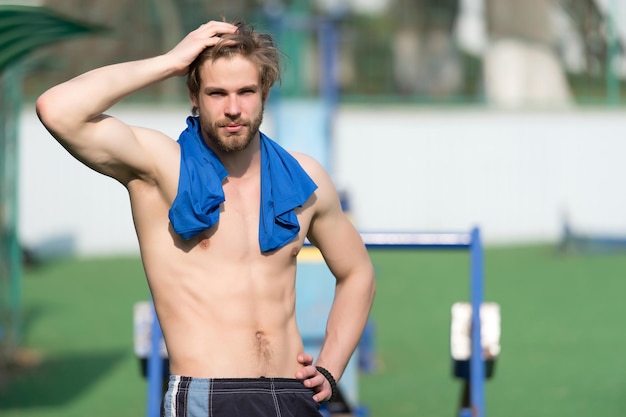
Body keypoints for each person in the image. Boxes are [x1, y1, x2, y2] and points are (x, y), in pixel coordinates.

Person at [36, 19, 376, 417]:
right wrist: (169, 61)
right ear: (194, 95)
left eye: (246, 92)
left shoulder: (304, 179)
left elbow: (357, 273)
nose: (233, 108)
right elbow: (57, 109)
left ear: (264, 92)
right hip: (207, 396)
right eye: (217, 93)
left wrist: (330, 370)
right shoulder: (161, 167)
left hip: (292, 394)